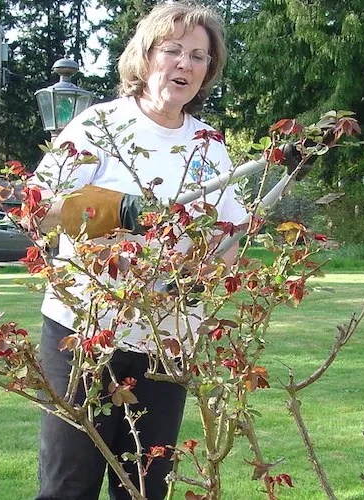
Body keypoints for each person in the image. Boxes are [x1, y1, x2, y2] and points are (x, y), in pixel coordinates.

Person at [31, 4, 246, 499]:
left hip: (166, 340)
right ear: (146, 57)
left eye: (198, 56)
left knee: (147, 488)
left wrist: (208, 262)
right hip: (84, 331)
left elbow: (228, 239)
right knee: (68, 486)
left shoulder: (210, 146)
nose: (185, 65)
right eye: (172, 50)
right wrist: (118, 212)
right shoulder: (100, 126)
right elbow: (37, 206)